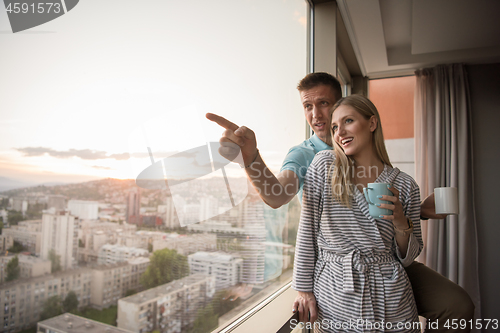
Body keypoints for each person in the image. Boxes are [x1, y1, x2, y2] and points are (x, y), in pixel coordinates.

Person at [206, 72, 474, 332]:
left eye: (323, 104)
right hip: (338, 271)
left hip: (387, 266)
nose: (315, 114)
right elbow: (279, 197)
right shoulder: (307, 156)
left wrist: (417, 212)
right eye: (307, 106)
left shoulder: (381, 162)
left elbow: (380, 218)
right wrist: (251, 159)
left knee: (458, 306)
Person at [294, 94, 422, 331]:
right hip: (335, 293)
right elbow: (307, 231)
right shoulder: (325, 165)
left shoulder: (406, 184)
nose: (339, 132)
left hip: (391, 296)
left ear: (372, 123)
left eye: (348, 121)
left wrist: (400, 221)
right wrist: (304, 290)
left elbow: (409, 256)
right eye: (334, 127)